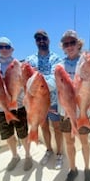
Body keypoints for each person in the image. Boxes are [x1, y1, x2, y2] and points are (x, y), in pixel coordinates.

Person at [59, 30, 90, 181]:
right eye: (66, 44)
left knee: (85, 142)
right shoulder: (60, 65)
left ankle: (87, 169)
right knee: (68, 141)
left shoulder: (86, 61)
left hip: (82, 111)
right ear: (63, 47)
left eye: (72, 42)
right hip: (65, 111)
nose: (69, 46)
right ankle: (72, 169)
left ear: (78, 44)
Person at [26, 30, 64, 170]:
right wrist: (37, 79)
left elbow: (54, 83)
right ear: (36, 41)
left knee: (57, 128)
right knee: (44, 127)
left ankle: (59, 154)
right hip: (36, 103)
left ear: (48, 40)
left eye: (44, 38)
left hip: (53, 101)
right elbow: (25, 79)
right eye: (38, 39)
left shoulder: (56, 59)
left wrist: (36, 79)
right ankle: (49, 150)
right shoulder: (29, 60)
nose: (41, 40)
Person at [0, 37, 33, 171]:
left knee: (23, 133)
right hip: (1, 108)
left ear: (12, 49)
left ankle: (28, 156)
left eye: (7, 47)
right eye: (1, 46)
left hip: (19, 105)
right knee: (8, 134)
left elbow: (26, 82)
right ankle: (15, 156)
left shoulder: (19, 65)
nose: (4, 49)